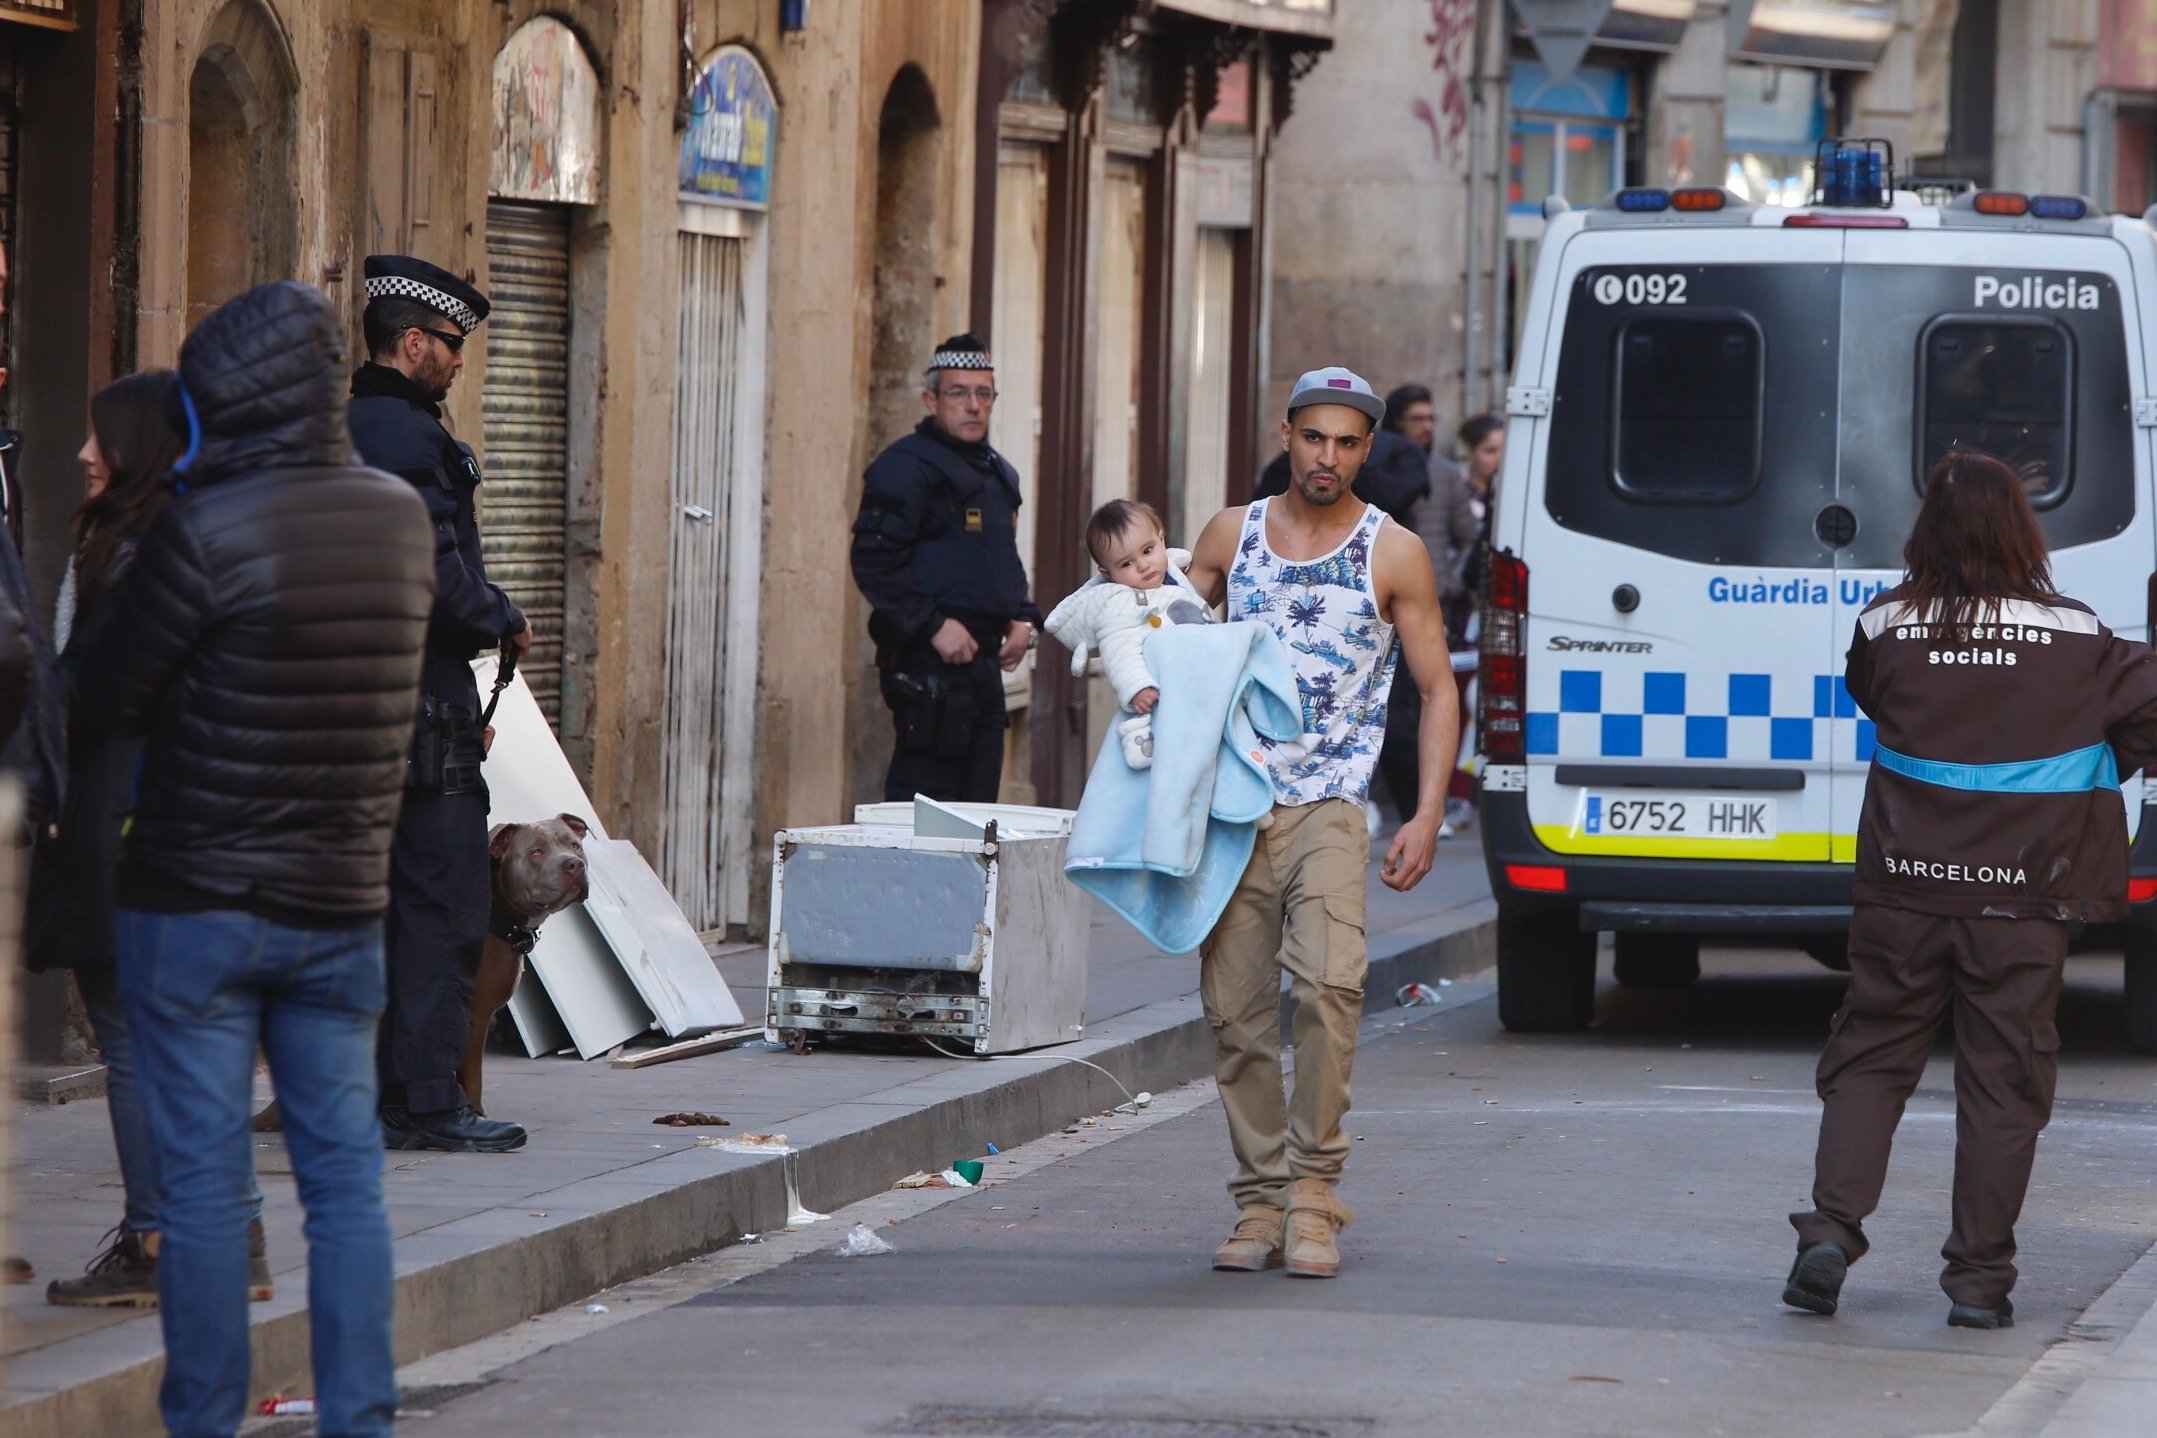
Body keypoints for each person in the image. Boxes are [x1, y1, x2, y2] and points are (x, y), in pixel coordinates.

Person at [73, 280, 434, 1438]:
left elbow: (105, 694)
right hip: (340, 904)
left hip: (196, 905)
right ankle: (360, 1418)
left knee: (206, 1193)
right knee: (343, 1188)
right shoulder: (398, 517)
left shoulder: (203, 528)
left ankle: (207, 1419)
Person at [1783, 451, 2157, 1330]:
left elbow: (1873, 699)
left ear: (1925, 534)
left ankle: (1828, 1233)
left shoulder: (1885, 624)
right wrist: (2101, 761)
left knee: (1871, 1057)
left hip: (1902, 890)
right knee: (2003, 1081)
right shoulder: (2079, 636)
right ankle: (1978, 1285)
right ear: (2023, 533)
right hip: (2024, 901)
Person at [1182, 366, 1458, 1279]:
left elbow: (1435, 687)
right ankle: (1259, 1201)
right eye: (1313, 438)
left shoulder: (1395, 551)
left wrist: (1423, 812)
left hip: (1333, 805)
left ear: (1365, 450)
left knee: (1332, 990)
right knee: (1235, 1013)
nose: (1327, 457)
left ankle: (1312, 1194)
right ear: (1288, 435)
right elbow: (1168, 636)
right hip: (1231, 806)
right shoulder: (1233, 533)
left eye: (1346, 443)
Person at [32, 373, 274, 1310]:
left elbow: (102, 692)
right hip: (182, 818)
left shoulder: (138, 551)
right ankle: (223, 1230)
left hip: (129, 818)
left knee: (134, 1039)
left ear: (140, 444)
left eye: (101, 438)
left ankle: (160, 1241)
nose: (84, 454)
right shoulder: (201, 537)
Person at [348, 254, 532, 1154]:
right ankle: (425, 1102)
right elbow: (437, 573)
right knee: (438, 907)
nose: (460, 361)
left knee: (376, 909)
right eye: (452, 345)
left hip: (359, 706)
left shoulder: (344, 426)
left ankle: (377, 1094)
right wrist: (504, 617)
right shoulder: (408, 438)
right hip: (418, 702)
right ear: (411, 342)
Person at [850, 333, 1041, 802]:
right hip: (927, 671)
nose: (973, 406)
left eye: (983, 394)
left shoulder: (997, 472)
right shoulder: (905, 467)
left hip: (984, 668)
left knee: (976, 820)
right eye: (959, 393)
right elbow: (874, 560)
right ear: (931, 400)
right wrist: (932, 625)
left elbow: (1001, 558)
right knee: (924, 816)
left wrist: (1023, 616)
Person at [1042, 498, 1210, 770]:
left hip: (1195, 684)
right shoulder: (1118, 604)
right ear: (1107, 573)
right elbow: (1118, 651)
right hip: (1157, 694)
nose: (1143, 565)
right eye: (1127, 564)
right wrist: (1136, 687)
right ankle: (1138, 735)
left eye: (1147, 550)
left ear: (1161, 539)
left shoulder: (1174, 579)